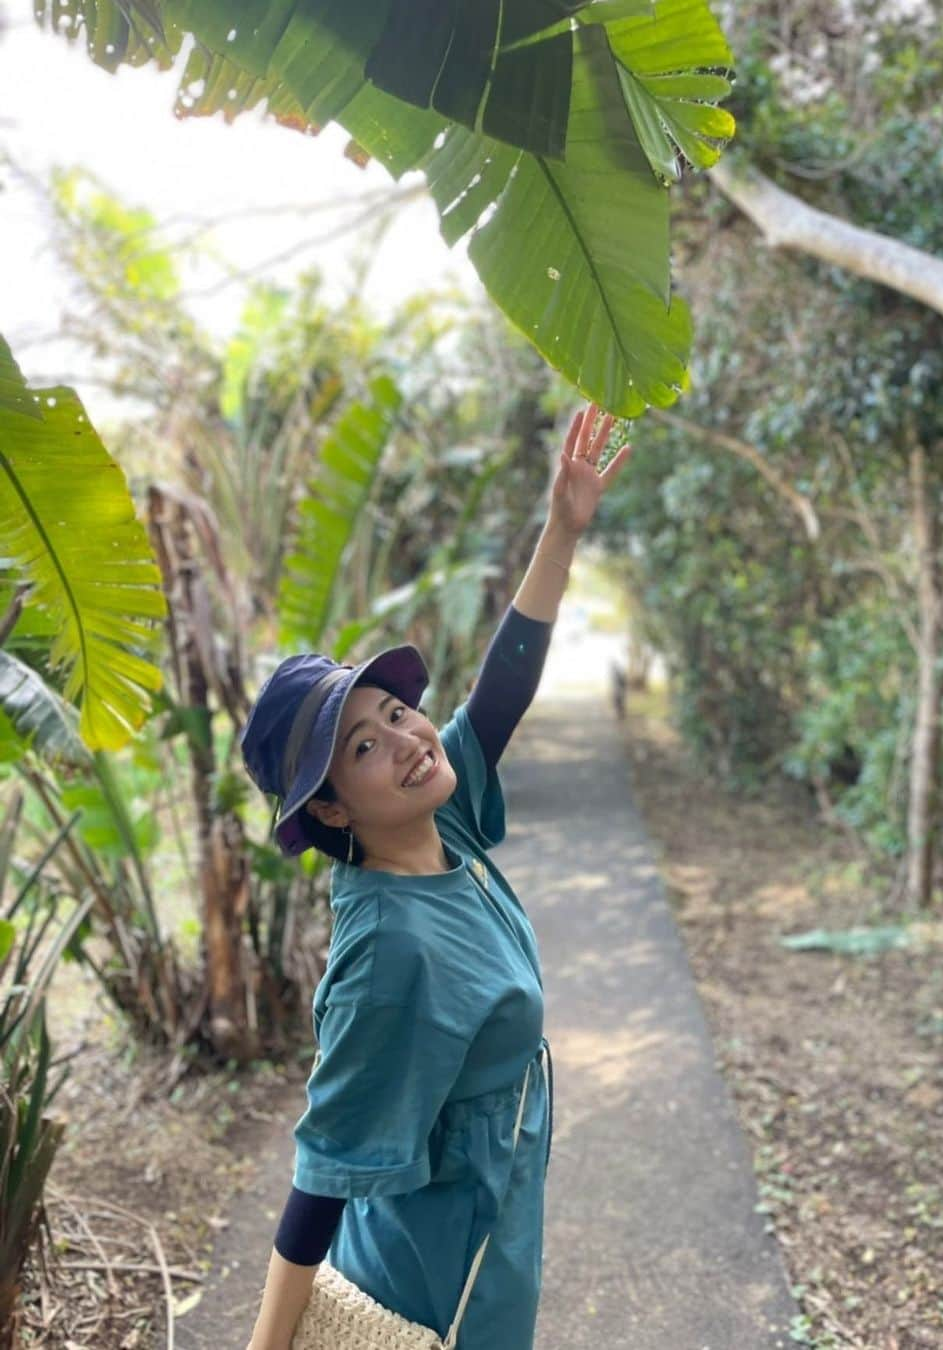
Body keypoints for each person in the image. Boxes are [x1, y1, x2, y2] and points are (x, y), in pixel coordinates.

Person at [241, 403, 632, 1350]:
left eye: (396, 714)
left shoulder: (438, 817)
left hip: (490, 1214)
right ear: (330, 810)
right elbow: (324, 1166)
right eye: (364, 746)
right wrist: (266, 1345)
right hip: (436, 1275)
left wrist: (563, 528)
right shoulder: (388, 953)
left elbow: (500, 689)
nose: (410, 740)